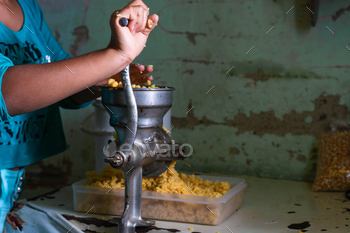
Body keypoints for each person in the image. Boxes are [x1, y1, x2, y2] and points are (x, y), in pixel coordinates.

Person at [0, 0, 158, 231]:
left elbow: (61, 85)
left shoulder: (26, 7)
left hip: (12, 193)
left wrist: (107, 77)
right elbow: (7, 92)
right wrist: (115, 55)